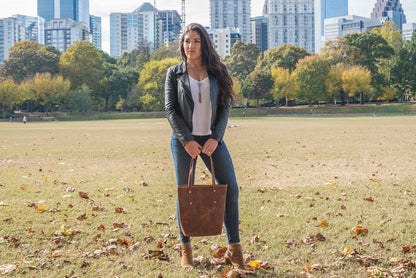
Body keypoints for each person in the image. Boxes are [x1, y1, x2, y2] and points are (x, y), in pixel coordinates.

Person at [165, 23, 245, 270]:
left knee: (230, 189)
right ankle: (186, 250)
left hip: (212, 140)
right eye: (187, 41)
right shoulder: (174, 73)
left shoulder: (217, 71)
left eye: (196, 41)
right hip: (183, 141)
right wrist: (187, 139)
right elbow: (171, 110)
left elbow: (225, 107)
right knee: (185, 194)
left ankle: (235, 250)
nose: (190, 46)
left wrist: (215, 138)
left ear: (204, 44)